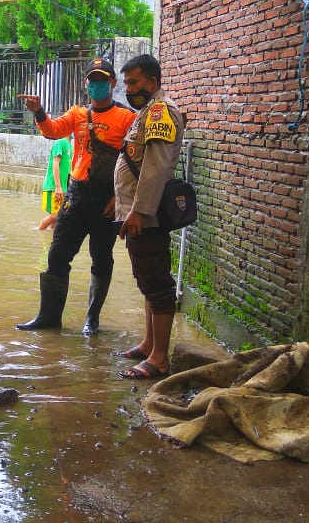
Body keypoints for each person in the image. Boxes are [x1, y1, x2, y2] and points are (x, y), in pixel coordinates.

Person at [15, 57, 136, 336]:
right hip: (77, 194)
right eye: (92, 81)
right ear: (86, 84)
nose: (96, 85)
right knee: (57, 254)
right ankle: (49, 318)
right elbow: (52, 131)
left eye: (102, 80)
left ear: (112, 83)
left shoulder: (127, 118)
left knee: (101, 257)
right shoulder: (77, 114)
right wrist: (39, 112)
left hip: (108, 198)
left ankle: (92, 320)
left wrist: (120, 199)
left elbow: (135, 163)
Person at [112, 54, 185, 380]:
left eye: (133, 82)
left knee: (157, 285)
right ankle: (148, 344)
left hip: (146, 216)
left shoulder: (160, 112)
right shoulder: (146, 113)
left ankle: (158, 359)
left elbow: (156, 167)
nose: (128, 89)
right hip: (137, 213)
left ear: (152, 82)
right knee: (147, 282)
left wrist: (139, 211)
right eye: (126, 83)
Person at [38, 134, 73, 230]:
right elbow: (55, 162)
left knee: (56, 219)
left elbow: (68, 169)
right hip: (54, 186)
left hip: (63, 187)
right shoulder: (60, 142)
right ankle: (38, 231)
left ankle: (48, 238)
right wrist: (58, 186)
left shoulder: (70, 145)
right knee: (57, 215)